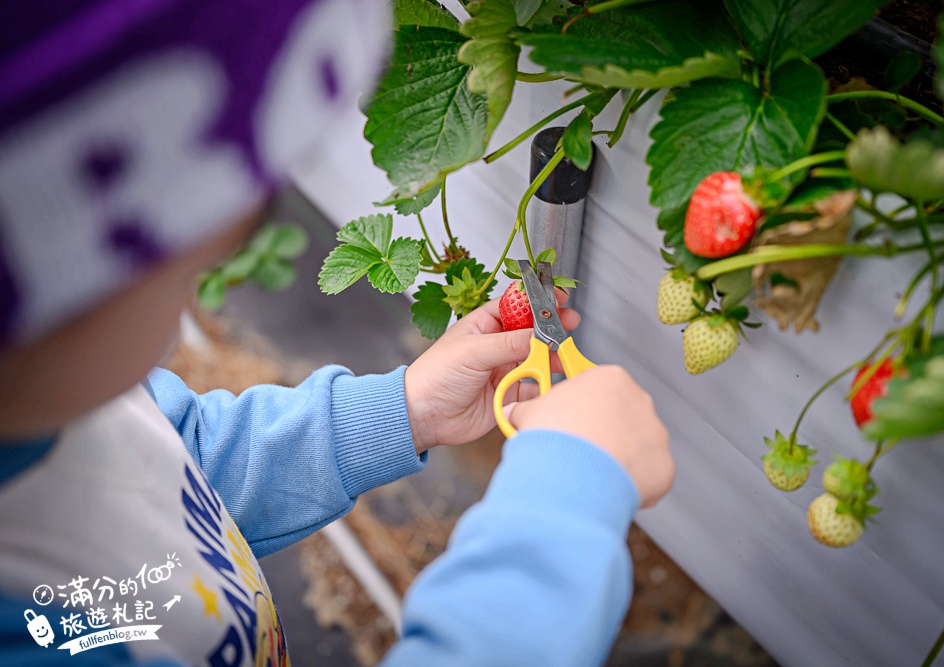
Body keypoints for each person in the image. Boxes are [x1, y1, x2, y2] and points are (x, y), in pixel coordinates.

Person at [0, 1, 674, 665]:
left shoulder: (69, 407)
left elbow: (184, 470)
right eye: (188, 275)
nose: (193, 302)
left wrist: (398, 410)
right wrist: (563, 508)